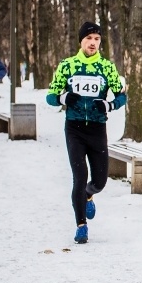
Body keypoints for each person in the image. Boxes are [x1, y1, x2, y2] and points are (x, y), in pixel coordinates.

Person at [46, 21, 126, 244]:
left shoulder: (107, 68)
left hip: (97, 129)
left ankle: (90, 194)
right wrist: (62, 98)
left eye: (97, 39)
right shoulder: (68, 66)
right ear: (81, 41)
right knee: (79, 177)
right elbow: (50, 96)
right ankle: (81, 225)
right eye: (89, 38)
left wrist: (110, 105)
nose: (93, 43)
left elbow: (122, 96)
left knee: (100, 180)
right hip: (75, 128)